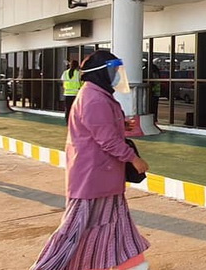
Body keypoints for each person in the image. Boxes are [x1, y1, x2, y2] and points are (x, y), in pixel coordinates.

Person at [31, 51, 150, 270]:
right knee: (74, 230)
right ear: (101, 74)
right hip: (92, 177)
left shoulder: (99, 95)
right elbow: (107, 140)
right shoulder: (93, 98)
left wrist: (120, 124)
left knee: (116, 226)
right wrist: (134, 159)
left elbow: (99, 127)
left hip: (105, 178)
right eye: (112, 71)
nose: (116, 76)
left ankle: (132, 264)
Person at [60, 60, 81, 124]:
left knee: (68, 109)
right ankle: (75, 123)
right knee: (76, 110)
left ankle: (68, 122)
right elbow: (82, 83)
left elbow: (63, 82)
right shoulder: (78, 74)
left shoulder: (65, 73)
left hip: (67, 94)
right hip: (76, 94)